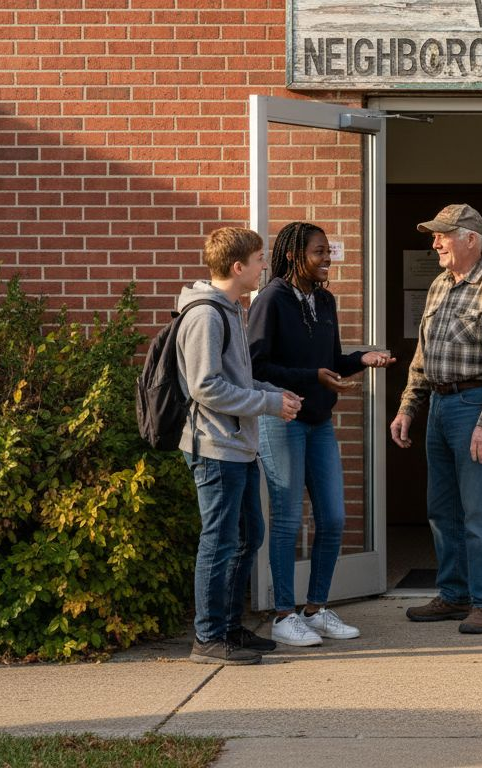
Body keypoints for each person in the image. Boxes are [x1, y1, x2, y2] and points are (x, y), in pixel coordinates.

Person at [248, 221, 395, 647]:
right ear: (294, 256)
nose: (327, 259)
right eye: (319, 252)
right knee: (288, 519)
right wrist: (312, 376)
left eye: (328, 251)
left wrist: (362, 359)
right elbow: (257, 368)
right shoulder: (272, 299)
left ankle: (315, 609)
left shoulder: (325, 300)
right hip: (283, 420)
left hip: (318, 423)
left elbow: (330, 361)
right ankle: (282, 615)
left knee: (333, 518)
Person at [390, 204, 482, 635]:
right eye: (434, 235)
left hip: (475, 406)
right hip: (440, 406)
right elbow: (423, 356)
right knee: (441, 510)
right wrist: (408, 407)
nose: (435, 243)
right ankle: (454, 595)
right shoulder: (438, 287)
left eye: (442, 235)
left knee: (477, 513)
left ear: (470, 239)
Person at [177, 226, 303, 665]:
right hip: (215, 447)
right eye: (258, 260)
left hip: (237, 445)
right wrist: (267, 403)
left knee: (249, 536)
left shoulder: (231, 311)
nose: (263, 266)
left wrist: (274, 393)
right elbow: (205, 386)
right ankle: (208, 638)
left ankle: (230, 630)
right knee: (219, 542)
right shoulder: (206, 316)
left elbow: (238, 380)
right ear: (238, 266)